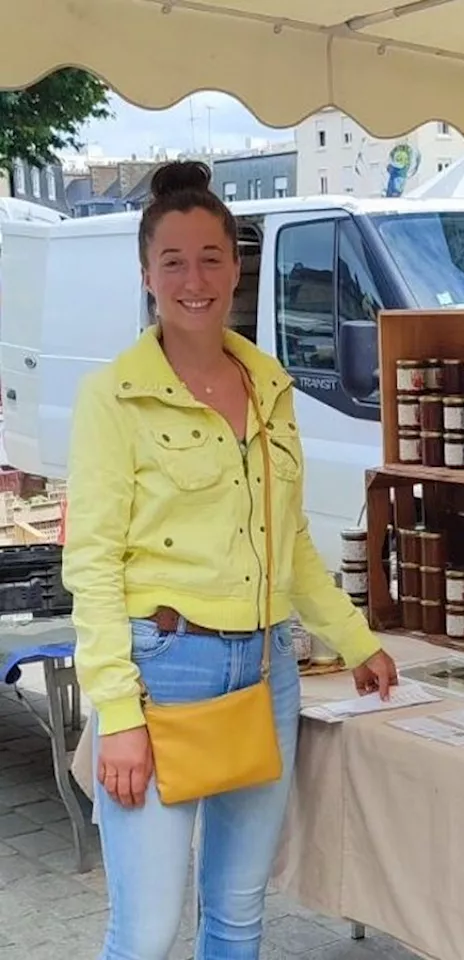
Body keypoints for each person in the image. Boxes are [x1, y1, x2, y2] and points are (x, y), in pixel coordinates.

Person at [62, 159, 399, 960]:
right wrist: (116, 717)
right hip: (162, 674)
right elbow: (93, 566)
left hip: (266, 671)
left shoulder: (270, 385)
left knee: (239, 914)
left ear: (236, 265)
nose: (194, 278)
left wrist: (358, 643)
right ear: (147, 275)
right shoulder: (113, 397)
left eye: (211, 256)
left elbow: (290, 549)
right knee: (144, 932)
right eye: (172, 260)